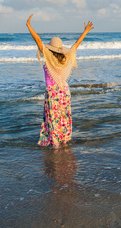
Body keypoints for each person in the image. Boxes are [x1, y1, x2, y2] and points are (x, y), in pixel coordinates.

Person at [26, 14, 94, 147]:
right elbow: (76, 45)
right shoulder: (66, 58)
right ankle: (64, 140)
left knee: (53, 118)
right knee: (64, 117)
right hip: (64, 91)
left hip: (52, 92)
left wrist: (29, 26)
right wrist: (85, 31)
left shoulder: (48, 57)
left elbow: (39, 41)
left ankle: (55, 144)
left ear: (50, 48)